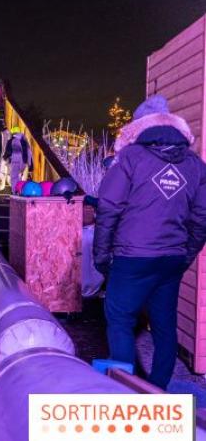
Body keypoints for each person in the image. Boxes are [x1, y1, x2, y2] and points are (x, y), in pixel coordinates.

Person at [94, 95, 206, 390]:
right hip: (171, 258)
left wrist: (102, 256)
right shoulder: (195, 164)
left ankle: (126, 390)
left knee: (119, 320)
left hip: (132, 256)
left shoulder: (130, 159)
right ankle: (157, 389)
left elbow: (108, 207)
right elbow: (201, 217)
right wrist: (185, 254)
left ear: (139, 127)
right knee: (164, 326)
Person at [2, 126, 32, 193]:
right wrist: (29, 163)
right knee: (20, 176)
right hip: (24, 162)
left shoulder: (11, 140)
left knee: (14, 177)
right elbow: (29, 151)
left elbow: (8, 151)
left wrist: (4, 157)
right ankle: (21, 190)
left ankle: (15, 192)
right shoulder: (24, 140)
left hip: (15, 160)